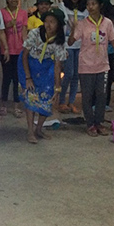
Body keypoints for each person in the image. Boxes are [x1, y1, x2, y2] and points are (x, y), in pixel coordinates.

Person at [69, 0, 114, 137]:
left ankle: (99, 122)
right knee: (87, 96)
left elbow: (113, 42)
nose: (90, 7)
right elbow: (71, 42)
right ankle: (90, 124)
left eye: (93, 4)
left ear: (100, 5)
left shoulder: (107, 23)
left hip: (102, 66)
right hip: (86, 66)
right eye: (88, 4)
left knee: (102, 95)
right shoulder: (82, 24)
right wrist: (72, 30)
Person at [18, 8, 67, 144]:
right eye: (46, 21)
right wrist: (28, 78)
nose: (48, 25)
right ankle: (30, 130)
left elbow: (57, 66)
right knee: (31, 97)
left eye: (52, 22)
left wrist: (57, 88)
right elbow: (25, 55)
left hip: (46, 67)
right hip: (29, 64)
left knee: (47, 97)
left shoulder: (59, 41)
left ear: (59, 25)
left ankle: (38, 129)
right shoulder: (35, 33)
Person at [57, 0, 87, 114]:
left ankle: (72, 101)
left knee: (76, 74)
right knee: (68, 73)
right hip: (67, 44)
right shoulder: (64, 7)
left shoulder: (84, 10)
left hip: (80, 45)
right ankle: (61, 100)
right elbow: (63, 19)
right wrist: (60, 1)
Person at [0, 0, 28, 118]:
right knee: (6, 78)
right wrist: (8, 25)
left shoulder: (23, 13)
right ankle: (3, 104)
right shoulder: (2, 12)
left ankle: (17, 105)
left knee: (17, 78)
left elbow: (24, 30)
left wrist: (25, 46)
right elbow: (0, 30)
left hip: (19, 49)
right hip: (6, 49)